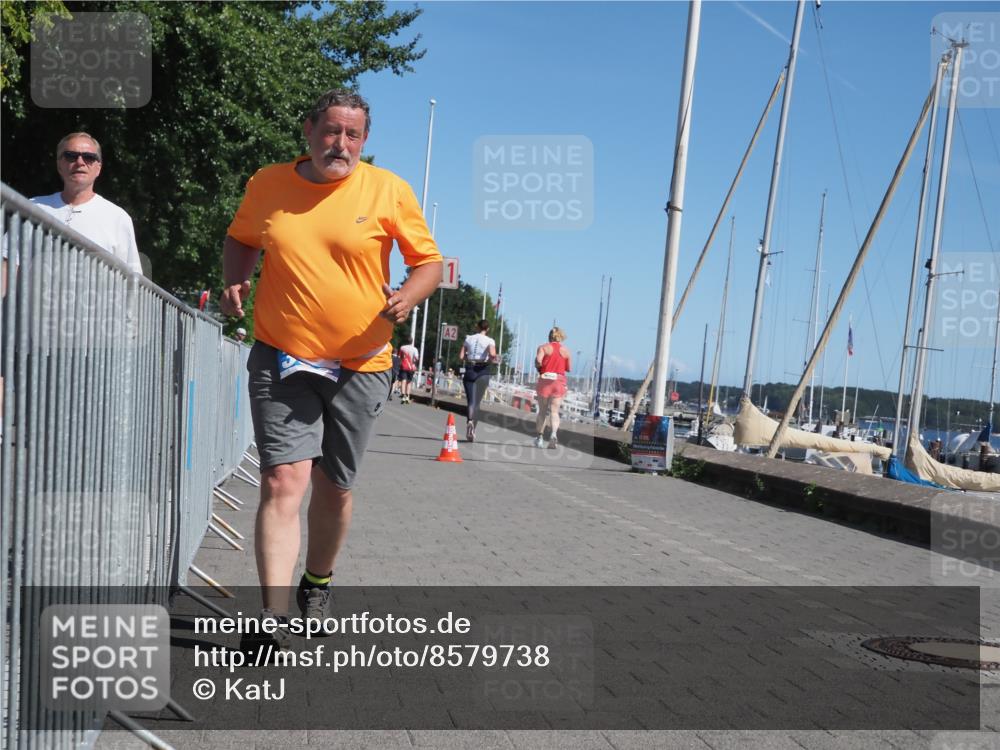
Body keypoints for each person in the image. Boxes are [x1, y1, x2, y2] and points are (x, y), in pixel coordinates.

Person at [220, 89, 442, 653]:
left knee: (334, 487)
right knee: (281, 479)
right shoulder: (268, 183)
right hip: (282, 354)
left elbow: (428, 263)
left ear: (364, 141)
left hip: (361, 363)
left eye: (352, 135)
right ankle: (271, 617)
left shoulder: (387, 189)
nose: (340, 144)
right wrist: (235, 279)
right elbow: (242, 238)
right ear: (309, 130)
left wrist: (408, 297)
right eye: (331, 131)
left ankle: (317, 581)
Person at [30, 132, 143, 275]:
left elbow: (132, 282)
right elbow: (8, 262)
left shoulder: (118, 218)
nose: (80, 162)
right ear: (59, 165)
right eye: (70, 156)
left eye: (89, 157)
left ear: (98, 168)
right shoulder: (33, 208)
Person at [459, 319, 497, 442]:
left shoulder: (468, 338)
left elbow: (461, 356)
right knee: (477, 403)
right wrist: (490, 360)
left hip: (470, 369)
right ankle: (472, 430)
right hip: (483, 371)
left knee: (471, 401)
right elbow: (493, 355)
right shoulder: (490, 341)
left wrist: (469, 358)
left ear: (477, 327)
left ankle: (469, 421)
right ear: (488, 329)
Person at [533, 327, 572, 449]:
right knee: (554, 412)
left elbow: (538, 361)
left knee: (542, 411)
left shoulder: (543, 348)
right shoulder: (566, 351)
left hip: (545, 380)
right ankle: (553, 434)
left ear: (549, 336)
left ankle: (539, 438)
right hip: (559, 382)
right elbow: (568, 368)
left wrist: (539, 365)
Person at [397, 338, 419, 404]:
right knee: (409, 382)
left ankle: (403, 395)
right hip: (411, 367)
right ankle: (407, 396)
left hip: (403, 366)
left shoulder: (402, 348)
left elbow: (399, 357)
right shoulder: (414, 349)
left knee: (403, 380)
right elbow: (416, 358)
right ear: (412, 342)